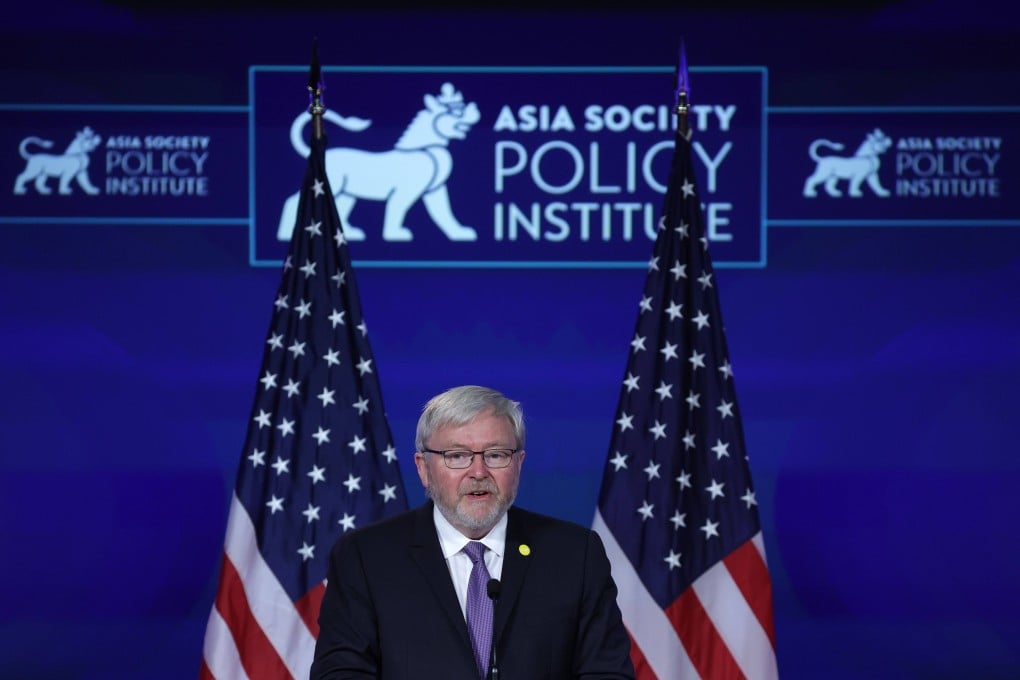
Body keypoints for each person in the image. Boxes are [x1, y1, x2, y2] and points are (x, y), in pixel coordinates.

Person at [311, 385, 635, 680]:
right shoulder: (366, 558)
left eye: (495, 455)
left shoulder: (575, 555)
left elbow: (607, 674)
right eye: (457, 456)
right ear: (424, 468)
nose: (478, 472)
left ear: (518, 464)